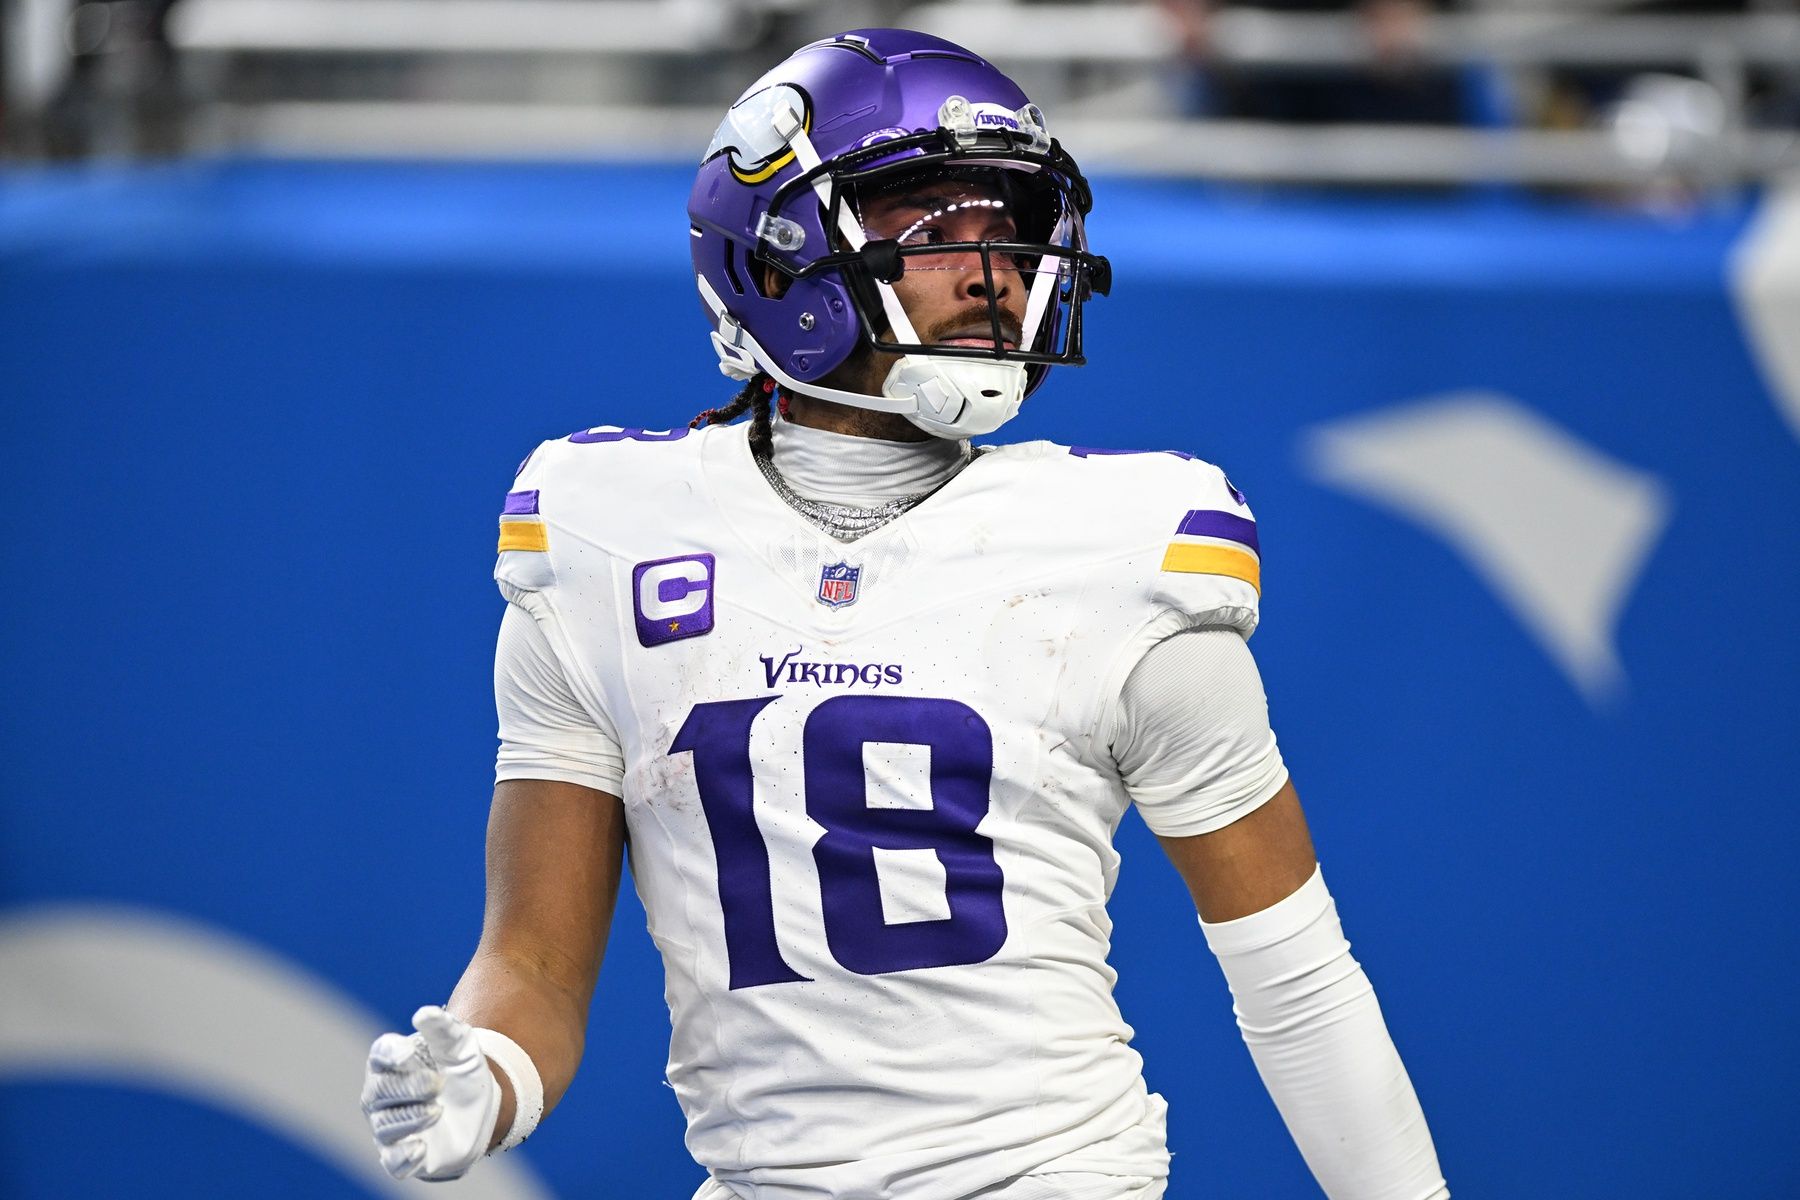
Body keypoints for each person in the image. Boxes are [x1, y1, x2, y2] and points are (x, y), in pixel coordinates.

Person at [360, 28, 1449, 1200]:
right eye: (930, 225)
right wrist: (492, 1069)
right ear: (774, 259)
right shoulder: (604, 532)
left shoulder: (1125, 546)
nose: (993, 269)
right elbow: (529, 958)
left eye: (1006, 226)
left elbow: (1295, 978)